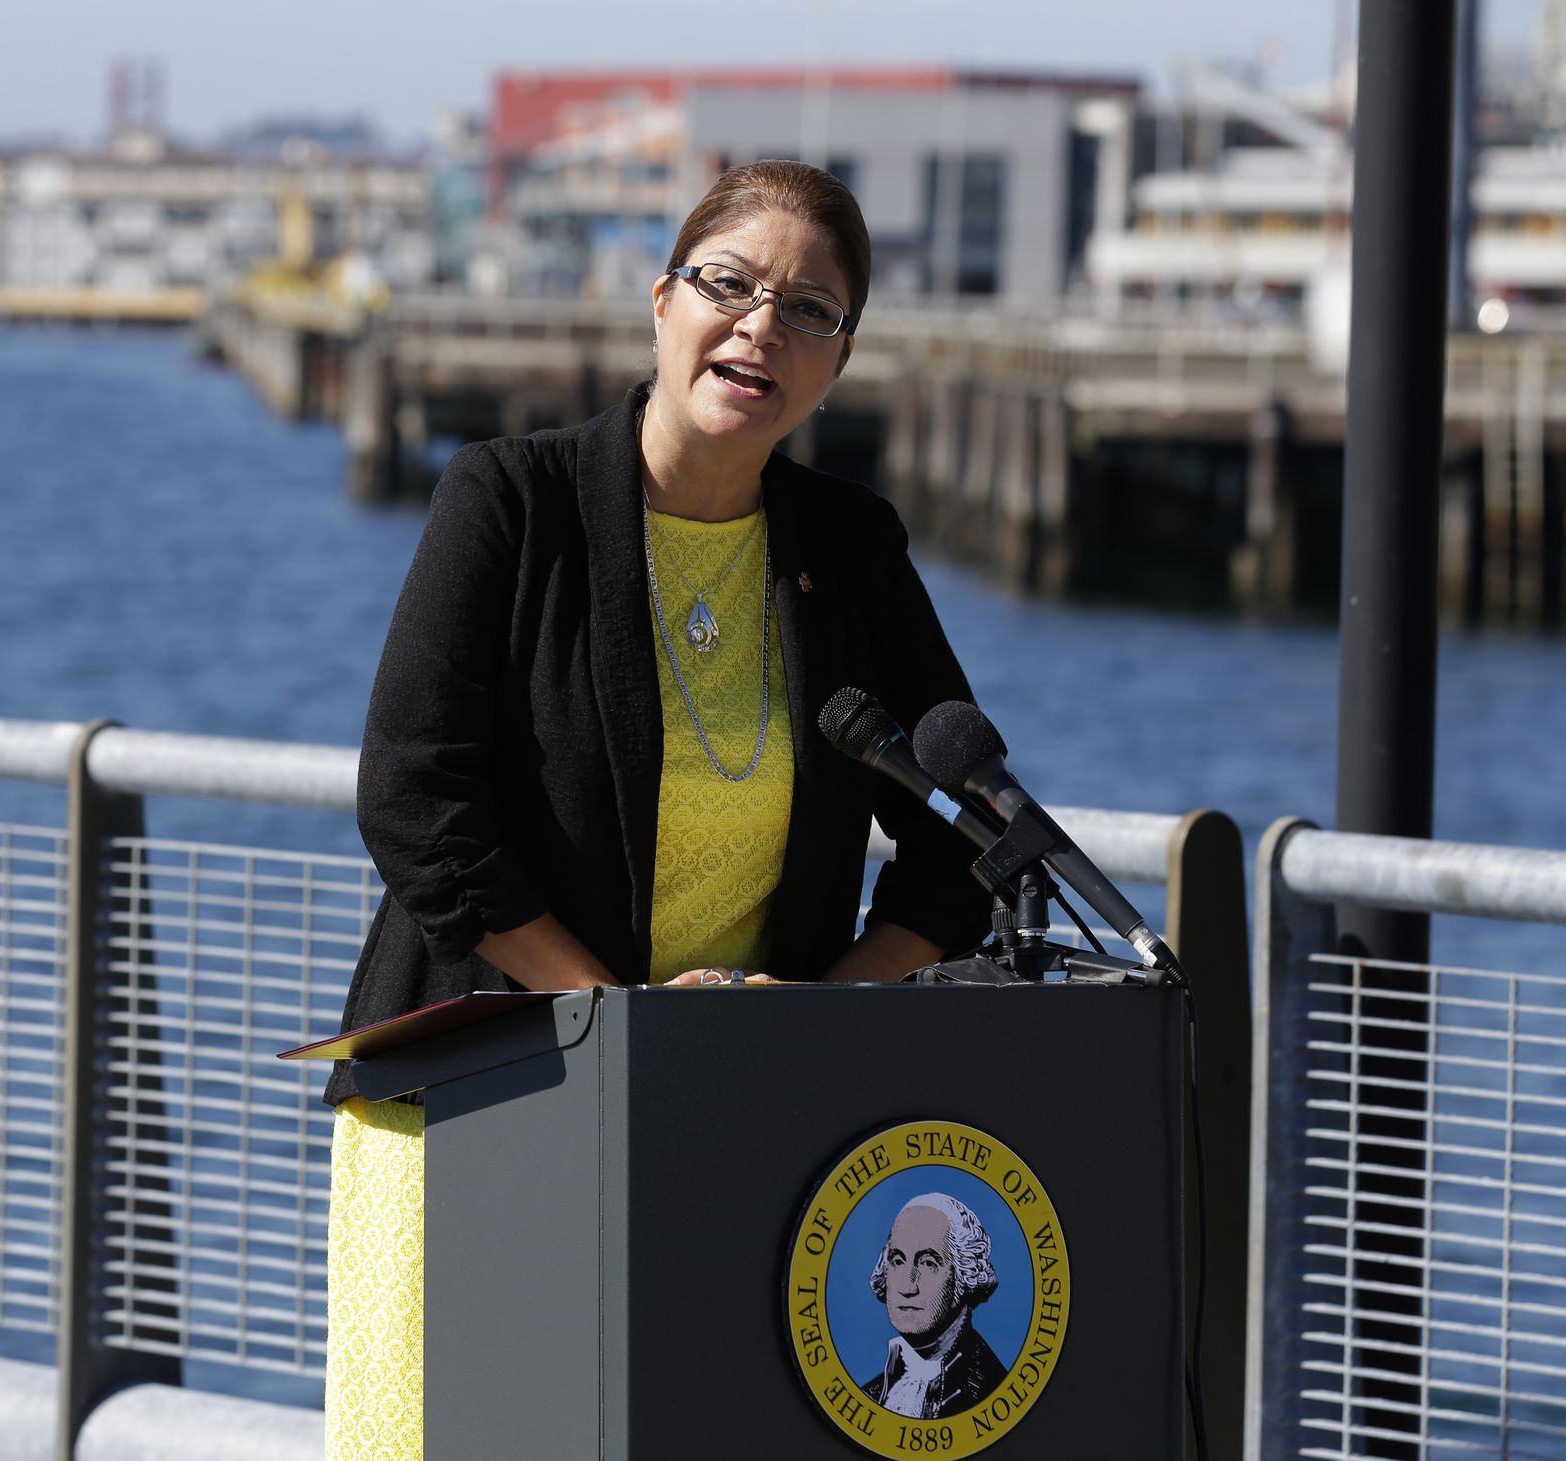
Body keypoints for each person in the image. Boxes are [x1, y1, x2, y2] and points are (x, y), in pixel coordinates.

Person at [322, 159, 993, 1460]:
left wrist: (821, 1018)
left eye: (811, 310)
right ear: (660, 300)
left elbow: (962, 831)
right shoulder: (509, 504)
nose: (762, 326)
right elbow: (411, 794)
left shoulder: (850, 550)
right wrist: (611, 1027)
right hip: (484, 1104)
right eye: (730, 284)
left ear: (838, 361)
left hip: (728, 1119)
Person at [859, 1193, 1007, 1418]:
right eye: (898, 1261)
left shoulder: (993, 1392)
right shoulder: (869, 1396)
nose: (908, 1286)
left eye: (929, 1263)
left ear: (964, 1274)